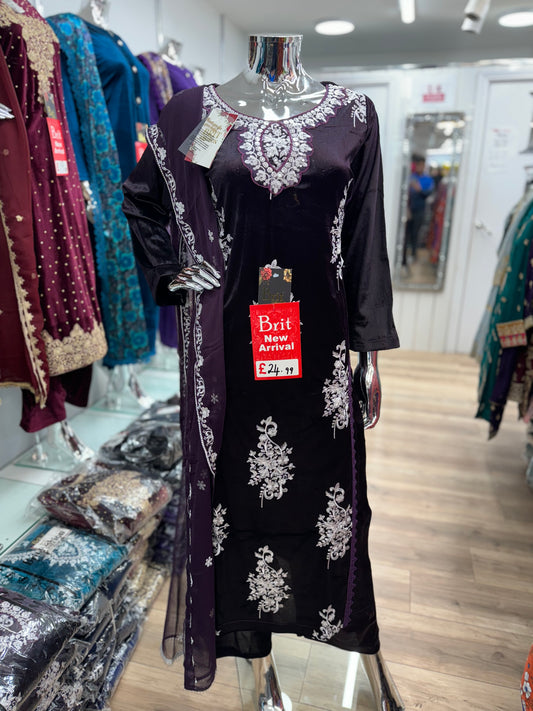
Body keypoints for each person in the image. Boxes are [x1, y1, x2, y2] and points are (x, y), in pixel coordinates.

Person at [123, 33, 403, 710]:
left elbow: (365, 235)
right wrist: (174, 272)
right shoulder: (192, 113)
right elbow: (142, 200)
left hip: (319, 361)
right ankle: (255, 663)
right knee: (236, 506)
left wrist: (367, 351)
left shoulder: (354, 116)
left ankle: (354, 639)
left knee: (332, 502)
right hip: (226, 356)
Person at [403, 154, 434, 264]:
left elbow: (428, 194)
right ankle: (404, 257)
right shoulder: (411, 177)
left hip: (420, 210)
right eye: (418, 165)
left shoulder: (428, 180)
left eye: (421, 165)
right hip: (409, 209)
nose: (419, 167)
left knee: (415, 233)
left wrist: (419, 189)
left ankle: (413, 254)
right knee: (406, 233)